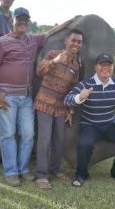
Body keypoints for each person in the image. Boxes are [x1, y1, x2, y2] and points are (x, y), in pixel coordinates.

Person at [0, 7, 78, 186]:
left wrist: (72, 20)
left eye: (25, 20)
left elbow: (51, 31)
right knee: (8, 134)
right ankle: (11, 172)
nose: (22, 23)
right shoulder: (1, 42)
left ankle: (24, 169)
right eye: (19, 19)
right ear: (12, 21)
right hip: (7, 96)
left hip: (26, 96)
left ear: (28, 22)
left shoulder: (32, 40)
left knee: (28, 134)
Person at [64, 53, 115, 187]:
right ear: (95, 67)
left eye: (108, 65)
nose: (105, 68)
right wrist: (80, 97)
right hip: (89, 125)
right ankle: (81, 174)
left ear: (112, 67)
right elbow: (67, 100)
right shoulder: (86, 84)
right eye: (102, 65)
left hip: (110, 124)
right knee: (84, 145)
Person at [34, 29, 83, 189]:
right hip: (44, 104)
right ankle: (41, 175)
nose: (75, 44)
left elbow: (73, 89)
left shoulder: (76, 65)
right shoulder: (52, 54)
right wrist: (55, 61)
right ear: (66, 41)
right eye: (73, 40)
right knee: (44, 140)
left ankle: (54, 169)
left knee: (59, 140)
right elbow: (39, 71)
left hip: (61, 108)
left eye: (79, 42)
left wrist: (70, 110)